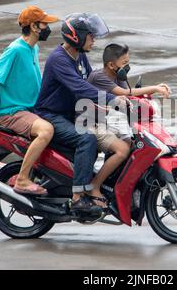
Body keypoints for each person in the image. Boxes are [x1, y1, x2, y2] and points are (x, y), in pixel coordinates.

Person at [35, 13, 130, 213]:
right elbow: (80, 88)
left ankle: (99, 183)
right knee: (87, 139)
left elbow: (87, 86)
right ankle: (78, 196)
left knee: (116, 133)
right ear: (76, 36)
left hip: (72, 114)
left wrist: (107, 106)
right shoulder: (59, 59)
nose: (94, 40)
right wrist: (111, 99)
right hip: (52, 116)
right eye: (91, 36)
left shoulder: (80, 57)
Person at [0, 5, 59, 196]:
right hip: (12, 112)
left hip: (29, 109)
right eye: (45, 23)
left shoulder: (32, 48)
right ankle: (23, 179)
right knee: (46, 130)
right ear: (34, 27)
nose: (48, 28)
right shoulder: (16, 50)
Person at [87, 43, 171, 141]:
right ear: (111, 65)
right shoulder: (99, 77)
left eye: (128, 62)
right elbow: (125, 92)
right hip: (91, 121)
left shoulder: (118, 74)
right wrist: (154, 88)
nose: (127, 66)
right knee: (124, 147)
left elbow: (129, 95)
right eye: (124, 63)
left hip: (109, 117)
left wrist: (149, 93)